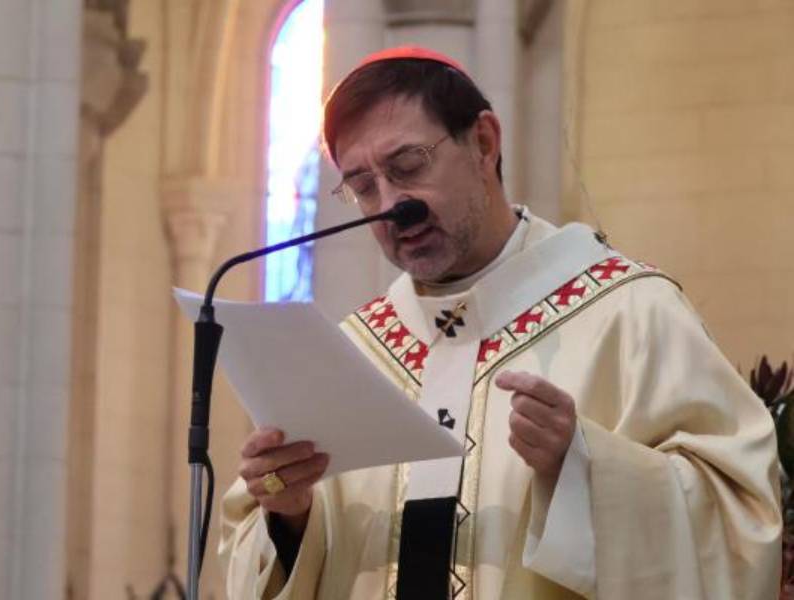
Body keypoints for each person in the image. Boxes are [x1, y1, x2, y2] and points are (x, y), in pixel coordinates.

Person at [218, 46, 781, 599]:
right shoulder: (350, 354)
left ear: (484, 142)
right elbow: (256, 558)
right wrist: (290, 518)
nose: (391, 205)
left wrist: (583, 466)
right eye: (364, 186)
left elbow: (739, 522)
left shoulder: (631, 312)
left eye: (408, 166)